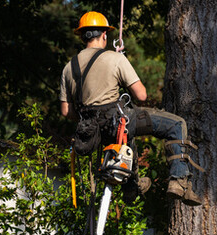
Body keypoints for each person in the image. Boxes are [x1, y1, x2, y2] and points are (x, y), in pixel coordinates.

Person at [59, 11, 203, 206]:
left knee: (126, 136)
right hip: (118, 121)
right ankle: (179, 181)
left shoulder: (69, 68)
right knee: (176, 125)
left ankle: (131, 187)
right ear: (104, 35)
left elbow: (66, 111)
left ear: (82, 36)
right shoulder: (114, 59)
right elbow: (141, 95)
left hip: (92, 130)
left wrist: (91, 119)